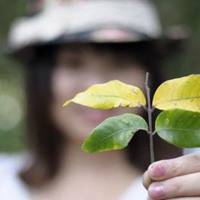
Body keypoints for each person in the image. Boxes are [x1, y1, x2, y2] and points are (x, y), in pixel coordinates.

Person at [2, 0, 200, 199]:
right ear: (40, 78)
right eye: (73, 64)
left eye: (119, 63)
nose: (97, 87)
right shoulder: (5, 184)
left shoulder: (190, 175)